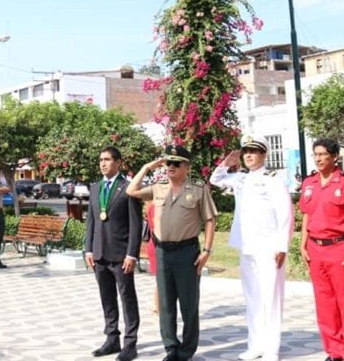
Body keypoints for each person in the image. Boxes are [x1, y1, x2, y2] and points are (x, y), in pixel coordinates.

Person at [126, 145, 217, 361]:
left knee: (189, 305)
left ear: (186, 166)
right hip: (163, 252)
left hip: (187, 253)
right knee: (166, 305)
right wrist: (148, 166)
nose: (170, 167)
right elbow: (131, 190)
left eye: (176, 163)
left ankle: (186, 351)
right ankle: (171, 348)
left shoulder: (198, 188)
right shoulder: (159, 187)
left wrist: (207, 251)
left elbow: (210, 220)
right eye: (168, 162)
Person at [209, 134, 293, 361]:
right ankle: (256, 345)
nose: (248, 155)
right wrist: (227, 162)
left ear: (264, 155)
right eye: (245, 151)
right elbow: (216, 179)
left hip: (268, 247)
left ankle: (271, 348)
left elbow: (285, 214)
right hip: (247, 246)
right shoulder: (240, 179)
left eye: (253, 151)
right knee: (253, 298)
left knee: (271, 298)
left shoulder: (274, 179)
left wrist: (281, 245)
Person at [299, 138, 344, 361]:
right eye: (315, 154)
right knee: (324, 302)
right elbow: (306, 213)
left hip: (340, 249)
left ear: (334, 156)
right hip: (316, 249)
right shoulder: (309, 182)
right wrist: (303, 243)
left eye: (322, 154)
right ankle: (333, 350)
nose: (318, 158)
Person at [85, 146, 141, 361]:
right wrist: (88, 248)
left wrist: (132, 254)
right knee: (107, 298)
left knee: (127, 299)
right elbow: (90, 220)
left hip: (120, 255)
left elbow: (136, 225)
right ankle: (111, 339)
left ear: (118, 162)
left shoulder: (128, 188)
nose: (103, 163)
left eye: (107, 159)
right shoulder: (95, 188)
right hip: (99, 254)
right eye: (101, 159)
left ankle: (130, 343)